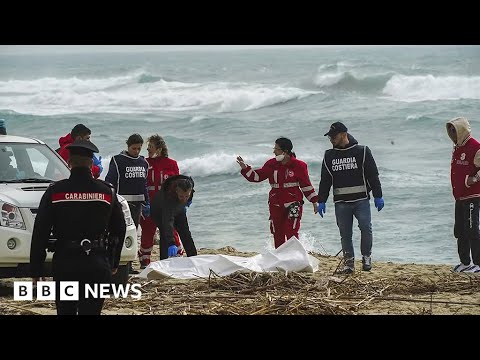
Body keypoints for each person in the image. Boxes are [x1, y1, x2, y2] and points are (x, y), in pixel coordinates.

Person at [30, 140, 126, 315]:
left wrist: (36, 267)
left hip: (66, 263)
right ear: (91, 164)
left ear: (68, 162)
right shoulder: (107, 192)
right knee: (91, 311)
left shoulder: (55, 192)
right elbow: (119, 229)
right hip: (96, 263)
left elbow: (40, 232)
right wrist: (113, 261)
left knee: (66, 311)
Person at [317, 122, 384, 274]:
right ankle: (348, 263)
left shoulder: (362, 151)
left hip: (361, 200)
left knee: (366, 228)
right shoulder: (329, 155)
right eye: (329, 136)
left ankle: (366, 257)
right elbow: (325, 180)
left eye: (334, 136)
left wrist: (378, 196)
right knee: (345, 234)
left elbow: (373, 175)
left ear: (344, 134)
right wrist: (321, 200)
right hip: (341, 202)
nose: (331, 139)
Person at [237, 137, 319, 249]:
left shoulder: (299, 165)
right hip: (275, 204)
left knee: (291, 231)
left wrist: (314, 201)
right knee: (277, 233)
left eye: (277, 149)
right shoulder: (271, 164)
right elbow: (257, 177)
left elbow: (306, 185)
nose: (274, 151)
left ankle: (295, 257)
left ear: (285, 151)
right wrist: (245, 168)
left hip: (294, 204)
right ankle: (281, 259)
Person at [105, 134, 149, 274]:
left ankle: (129, 265)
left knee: (133, 233)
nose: (136, 151)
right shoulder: (118, 161)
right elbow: (110, 181)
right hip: (122, 204)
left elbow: (144, 184)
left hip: (138, 204)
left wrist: (147, 202)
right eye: (134, 148)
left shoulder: (144, 162)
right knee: (119, 234)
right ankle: (116, 264)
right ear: (128, 146)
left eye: (139, 148)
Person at [138, 134, 184, 268]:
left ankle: (176, 257)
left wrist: (180, 204)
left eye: (150, 147)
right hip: (149, 204)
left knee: (171, 231)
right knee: (147, 233)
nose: (148, 150)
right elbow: (139, 183)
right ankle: (145, 261)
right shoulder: (144, 163)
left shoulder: (171, 164)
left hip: (167, 206)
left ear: (159, 149)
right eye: (147, 148)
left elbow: (178, 185)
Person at [446, 117, 480, 273]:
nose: (452, 134)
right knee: (460, 230)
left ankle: (478, 264)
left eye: (454, 130)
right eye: (450, 130)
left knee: (472, 229)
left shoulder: (475, 147)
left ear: (462, 131)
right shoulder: (457, 147)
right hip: (459, 196)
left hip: (472, 196)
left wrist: (472, 179)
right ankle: (465, 262)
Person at [150, 174, 197, 260]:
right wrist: (171, 243)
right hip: (159, 212)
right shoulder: (168, 197)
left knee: (185, 232)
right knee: (165, 234)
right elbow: (168, 222)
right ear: (176, 191)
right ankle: (164, 261)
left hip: (179, 209)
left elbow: (188, 196)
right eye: (181, 196)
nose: (184, 199)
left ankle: (193, 257)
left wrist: (188, 200)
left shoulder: (189, 184)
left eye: (187, 196)